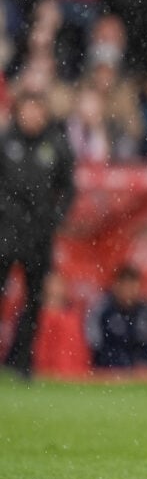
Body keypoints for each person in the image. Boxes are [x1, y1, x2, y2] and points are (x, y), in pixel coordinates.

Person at [0, 90, 77, 380]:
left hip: (38, 236)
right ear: (18, 112)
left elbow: (68, 188)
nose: (32, 116)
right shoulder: (5, 141)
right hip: (5, 233)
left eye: (37, 110)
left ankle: (22, 361)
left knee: (34, 300)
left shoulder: (56, 145)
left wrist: (55, 218)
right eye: (27, 110)